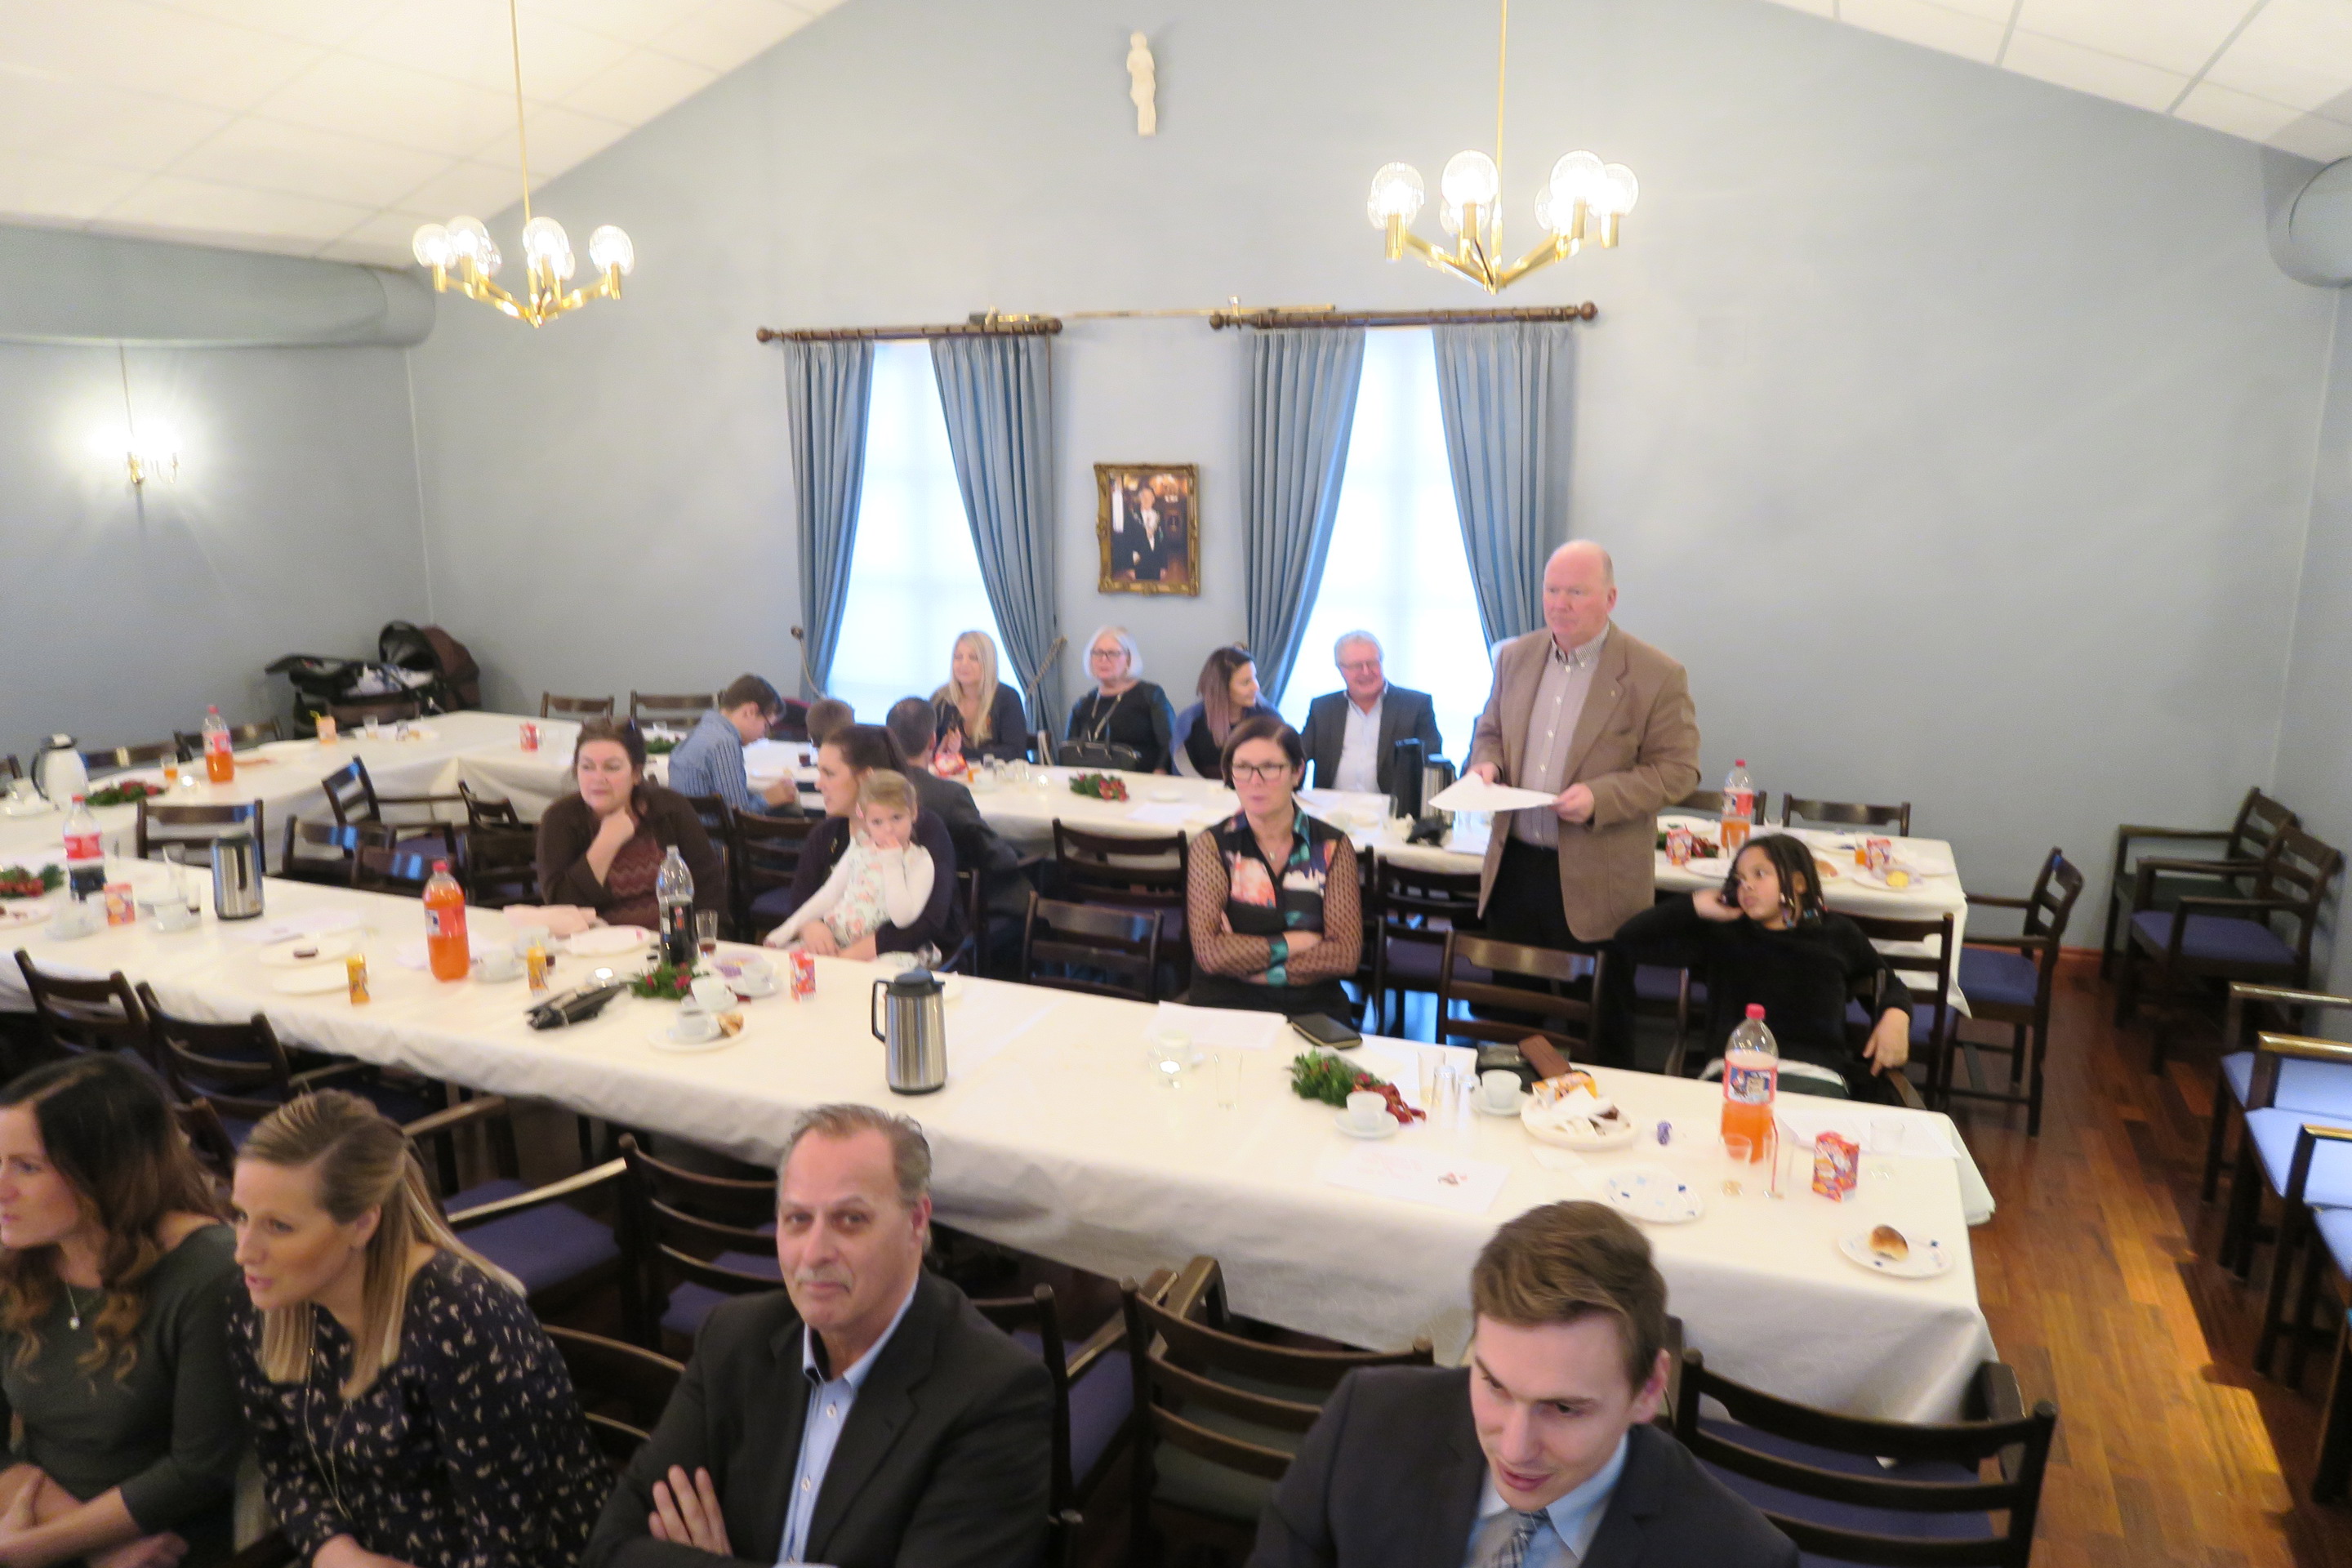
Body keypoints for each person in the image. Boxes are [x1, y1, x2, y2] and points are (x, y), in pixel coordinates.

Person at [583, 1105, 1053, 1568]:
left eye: (850, 1220)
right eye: (798, 1219)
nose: (814, 1253)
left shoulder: (994, 1396)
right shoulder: (733, 1339)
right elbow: (610, 1549)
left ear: (916, 1223)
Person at [1248, 1200, 1795, 1568]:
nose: (1513, 1449)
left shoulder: (1738, 1556)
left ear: (1649, 1389)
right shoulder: (1364, 1422)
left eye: (1563, 1408)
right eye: (1495, 1386)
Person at [227, 1092, 610, 1568]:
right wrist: (334, 1552)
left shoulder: (462, 1325)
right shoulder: (264, 1304)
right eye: (240, 1216)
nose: (244, 1251)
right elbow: (283, 1467)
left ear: (362, 1224)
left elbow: (513, 1546)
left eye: (279, 1227)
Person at [0, 1057, 241, 1568]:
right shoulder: (21, 1254)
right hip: (40, 1518)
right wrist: (83, 1542)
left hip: (165, 1545)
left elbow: (199, 1468)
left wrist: (34, 1547)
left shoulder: (209, 1272)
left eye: (26, 1167)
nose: (1, 1187)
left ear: (105, 1173)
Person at [1468, 542, 1700, 1065]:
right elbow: (1490, 731)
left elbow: (1679, 770)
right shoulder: (1515, 657)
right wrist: (1487, 765)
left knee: (1599, 1033)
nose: (1560, 603)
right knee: (1511, 1029)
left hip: (1600, 877)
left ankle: (1601, 1111)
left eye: (1576, 591)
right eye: (1552, 590)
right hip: (1515, 870)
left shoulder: (1655, 673)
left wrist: (1601, 797)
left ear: (1610, 598)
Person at [1612, 834, 1913, 1099]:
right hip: (1733, 1073)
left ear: (1798, 883)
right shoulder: (1725, 932)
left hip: (1815, 1079)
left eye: (1760, 874)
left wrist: (1896, 1015)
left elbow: (1886, 981)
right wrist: (1694, 905)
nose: (1747, 886)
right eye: (1740, 879)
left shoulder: (1836, 933)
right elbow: (1629, 940)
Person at [1185, 715, 1362, 1019]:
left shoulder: (1331, 846)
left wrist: (1252, 968)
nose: (1255, 781)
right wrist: (1296, 942)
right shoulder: (1212, 845)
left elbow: (1344, 955)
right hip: (1225, 1004)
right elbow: (1211, 954)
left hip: (1311, 1007)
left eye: (1270, 767)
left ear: (1297, 771)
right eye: (1242, 767)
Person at [766, 725, 960, 959]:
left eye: (829, 774)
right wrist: (810, 926)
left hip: (907, 959)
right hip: (834, 950)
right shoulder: (827, 834)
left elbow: (928, 922)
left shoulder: (924, 831)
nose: (818, 784)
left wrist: (847, 957)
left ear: (867, 777)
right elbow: (803, 898)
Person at [537, 718, 727, 928]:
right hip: (595, 943)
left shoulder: (670, 809)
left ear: (636, 774)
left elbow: (709, 891)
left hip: (673, 940)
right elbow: (561, 909)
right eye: (587, 767)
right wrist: (607, 842)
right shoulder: (560, 820)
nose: (598, 778)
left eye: (611, 767)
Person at [886, 698, 1028, 936]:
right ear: (933, 740)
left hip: (891, 905)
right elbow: (995, 855)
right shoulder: (950, 795)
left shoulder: (874, 792)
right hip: (955, 909)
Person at [764, 772, 934, 956]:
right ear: (865, 819)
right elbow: (829, 894)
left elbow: (903, 919)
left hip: (882, 950)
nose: (888, 829)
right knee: (789, 960)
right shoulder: (860, 848)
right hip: (837, 938)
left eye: (897, 818)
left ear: (913, 813)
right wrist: (787, 930)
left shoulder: (920, 862)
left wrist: (892, 862)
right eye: (877, 822)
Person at [1298, 632, 1444, 796]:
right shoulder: (1322, 708)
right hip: (1330, 805)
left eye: (1372, 663)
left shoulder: (1415, 705)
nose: (1366, 672)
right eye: (1356, 666)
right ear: (1341, 669)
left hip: (1390, 805)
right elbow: (1297, 756)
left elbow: (1433, 759)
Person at [664, 675, 802, 815]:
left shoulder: (706, 728)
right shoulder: (725, 743)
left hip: (689, 824)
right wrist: (767, 799)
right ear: (750, 711)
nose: (764, 735)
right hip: (711, 829)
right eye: (766, 726)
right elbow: (737, 815)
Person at [1064, 626, 1175, 773]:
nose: (1104, 659)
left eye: (1113, 653)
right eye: (1097, 652)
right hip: (1091, 782)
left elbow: (1170, 743)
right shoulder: (1083, 705)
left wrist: (1159, 774)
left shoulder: (1150, 695)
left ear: (1129, 659)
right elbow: (1069, 753)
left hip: (1143, 781)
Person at [1172, 646, 1279, 780]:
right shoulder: (1190, 722)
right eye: (1246, 682)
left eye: (1254, 678)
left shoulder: (1269, 718)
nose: (1256, 687)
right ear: (1222, 688)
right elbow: (1183, 771)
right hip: (1201, 790)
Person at [931, 631, 1030, 764]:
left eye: (973, 658)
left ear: (988, 662)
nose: (964, 663)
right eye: (958, 657)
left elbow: (1015, 752)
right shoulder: (941, 699)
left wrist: (963, 753)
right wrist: (937, 751)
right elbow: (925, 747)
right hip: (952, 775)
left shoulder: (1007, 697)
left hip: (1001, 776)